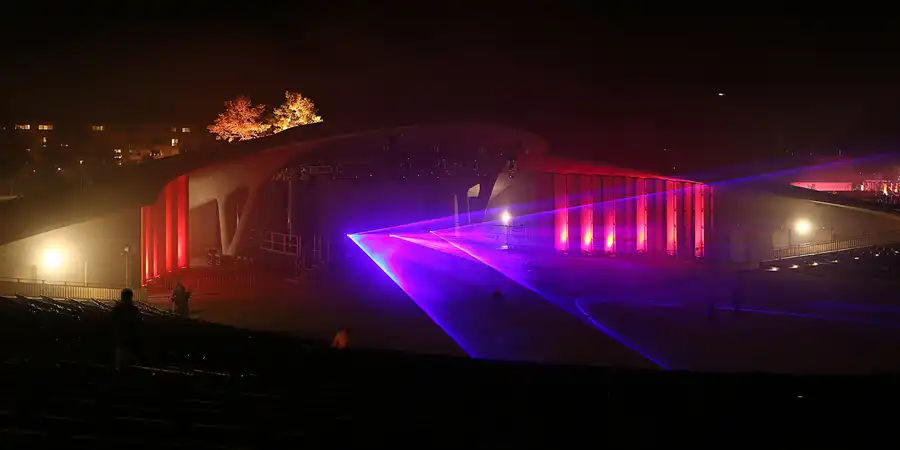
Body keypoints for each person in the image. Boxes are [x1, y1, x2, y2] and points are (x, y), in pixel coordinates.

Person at [112, 288, 142, 370]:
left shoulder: (117, 309)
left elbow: (113, 323)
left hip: (120, 341)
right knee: (130, 365)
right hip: (130, 341)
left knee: (120, 363)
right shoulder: (134, 310)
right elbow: (138, 323)